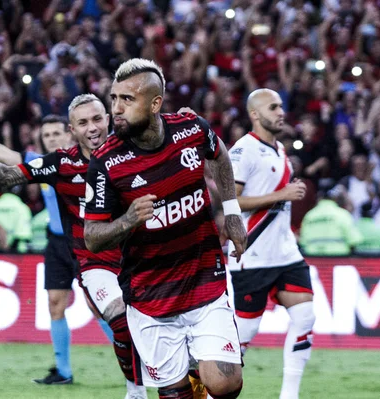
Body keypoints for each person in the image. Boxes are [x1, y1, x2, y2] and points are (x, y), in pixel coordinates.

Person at [0, 100, 148, 398]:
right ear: (73, 130)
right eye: (82, 122)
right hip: (73, 248)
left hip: (132, 250)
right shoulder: (54, 162)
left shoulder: (127, 150)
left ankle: (147, 363)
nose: (91, 127)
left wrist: (179, 122)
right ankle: (81, 374)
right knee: (92, 310)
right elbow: (5, 170)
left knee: (136, 319)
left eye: (96, 119)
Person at [84, 58, 246, 399]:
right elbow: (92, 238)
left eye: (127, 99)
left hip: (204, 281)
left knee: (226, 382)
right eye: (114, 98)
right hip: (150, 297)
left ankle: (201, 376)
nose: (116, 109)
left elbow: (220, 156)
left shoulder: (191, 129)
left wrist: (231, 213)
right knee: (176, 394)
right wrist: (128, 220)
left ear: (155, 103)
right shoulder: (105, 162)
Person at [226, 88, 316, 399]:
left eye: (281, 106)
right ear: (255, 114)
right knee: (244, 335)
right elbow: (231, 202)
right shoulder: (243, 150)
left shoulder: (280, 150)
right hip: (251, 256)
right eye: (273, 107)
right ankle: (211, 389)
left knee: (305, 317)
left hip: (286, 254)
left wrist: (290, 195)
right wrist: (282, 195)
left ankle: (289, 395)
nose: (281, 112)